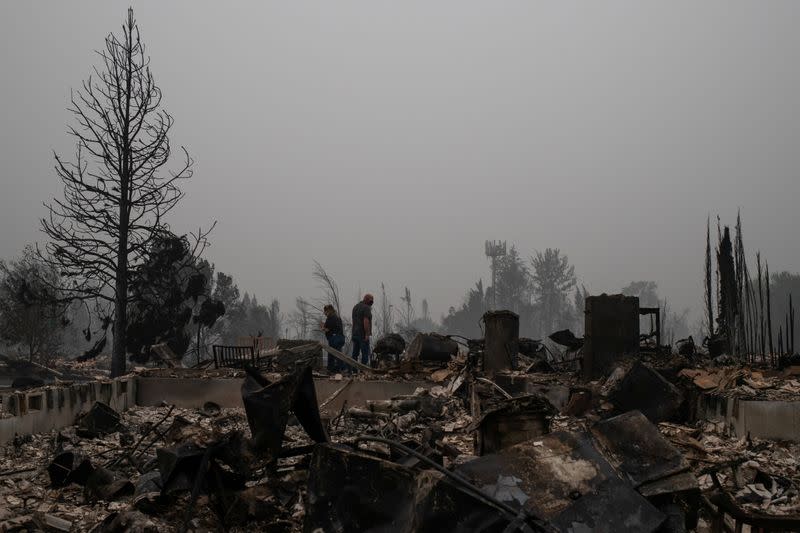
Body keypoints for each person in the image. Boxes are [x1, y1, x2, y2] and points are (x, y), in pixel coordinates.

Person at [351, 293, 374, 366]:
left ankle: (353, 370)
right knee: (365, 353)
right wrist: (367, 334)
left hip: (354, 333)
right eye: (370, 301)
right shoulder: (366, 308)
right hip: (362, 334)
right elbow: (366, 321)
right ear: (366, 300)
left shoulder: (355, 307)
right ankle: (363, 370)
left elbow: (354, 321)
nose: (371, 303)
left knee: (355, 353)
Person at [321, 305, 345, 373]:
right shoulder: (337, 317)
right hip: (340, 338)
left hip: (335, 338)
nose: (324, 313)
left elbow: (328, 329)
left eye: (325, 311)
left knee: (333, 354)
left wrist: (323, 328)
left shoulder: (331, 318)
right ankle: (339, 368)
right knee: (337, 353)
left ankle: (335, 369)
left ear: (328, 310)